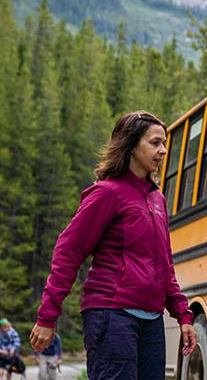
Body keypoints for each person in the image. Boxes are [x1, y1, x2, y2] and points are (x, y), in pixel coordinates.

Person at [30, 111, 197, 379]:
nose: (163, 151)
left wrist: (183, 315)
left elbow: (164, 264)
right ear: (131, 145)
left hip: (151, 320)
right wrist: (48, 316)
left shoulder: (157, 200)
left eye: (164, 143)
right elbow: (68, 252)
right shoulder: (107, 193)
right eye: (155, 143)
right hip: (111, 314)